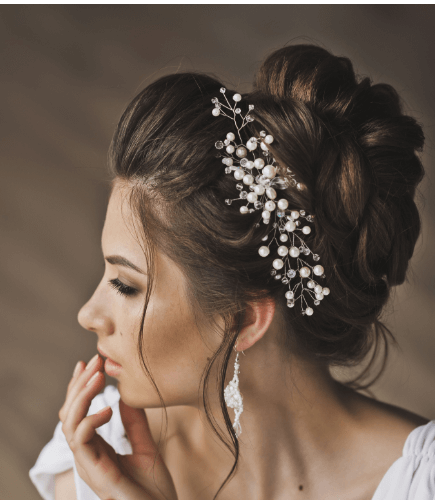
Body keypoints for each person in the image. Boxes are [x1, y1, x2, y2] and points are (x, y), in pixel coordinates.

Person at [29, 44, 434, 500]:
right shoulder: (102, 460)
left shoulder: (419, 485)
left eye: (126, 285)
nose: (88, 313)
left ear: (242, 319)